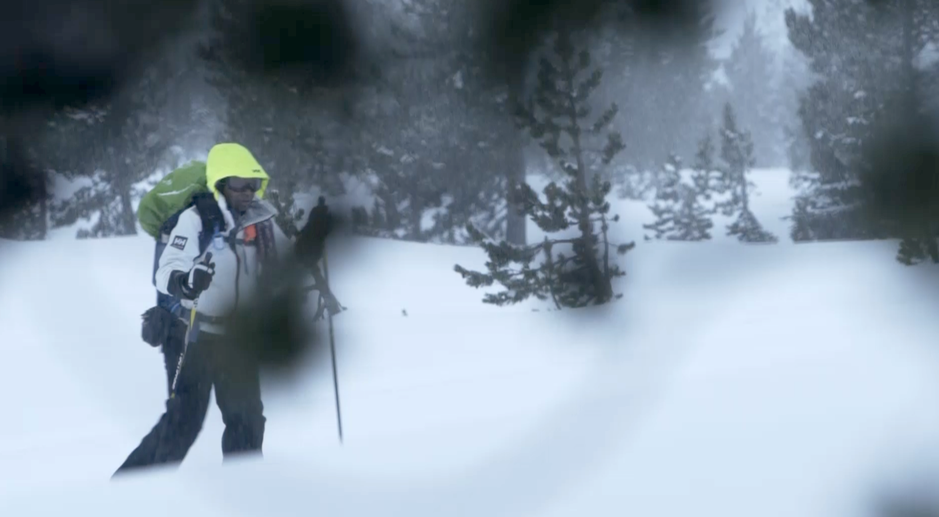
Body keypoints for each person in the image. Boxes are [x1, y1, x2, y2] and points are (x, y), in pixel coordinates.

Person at [114, 143, 292, 476]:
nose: (246, 193)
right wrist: (187, 282)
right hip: (194, 336)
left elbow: (289, 264)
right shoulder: (196, 219)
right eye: (238, 185)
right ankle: (126, 491)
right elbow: (166, 271)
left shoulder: (262, 220)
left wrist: (315, 239)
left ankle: (244, 493)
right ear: (220, 185)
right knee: (184, 423)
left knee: (248, 421)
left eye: (252, 185)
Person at [294, 196, 343, 317]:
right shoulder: (325, 213)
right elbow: (324, 229)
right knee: (313, 270)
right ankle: (327, 300)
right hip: (312, 245)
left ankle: (328, 301)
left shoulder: (317, 212)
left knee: (313, 270)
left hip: (309, 245)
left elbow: (312, 226)